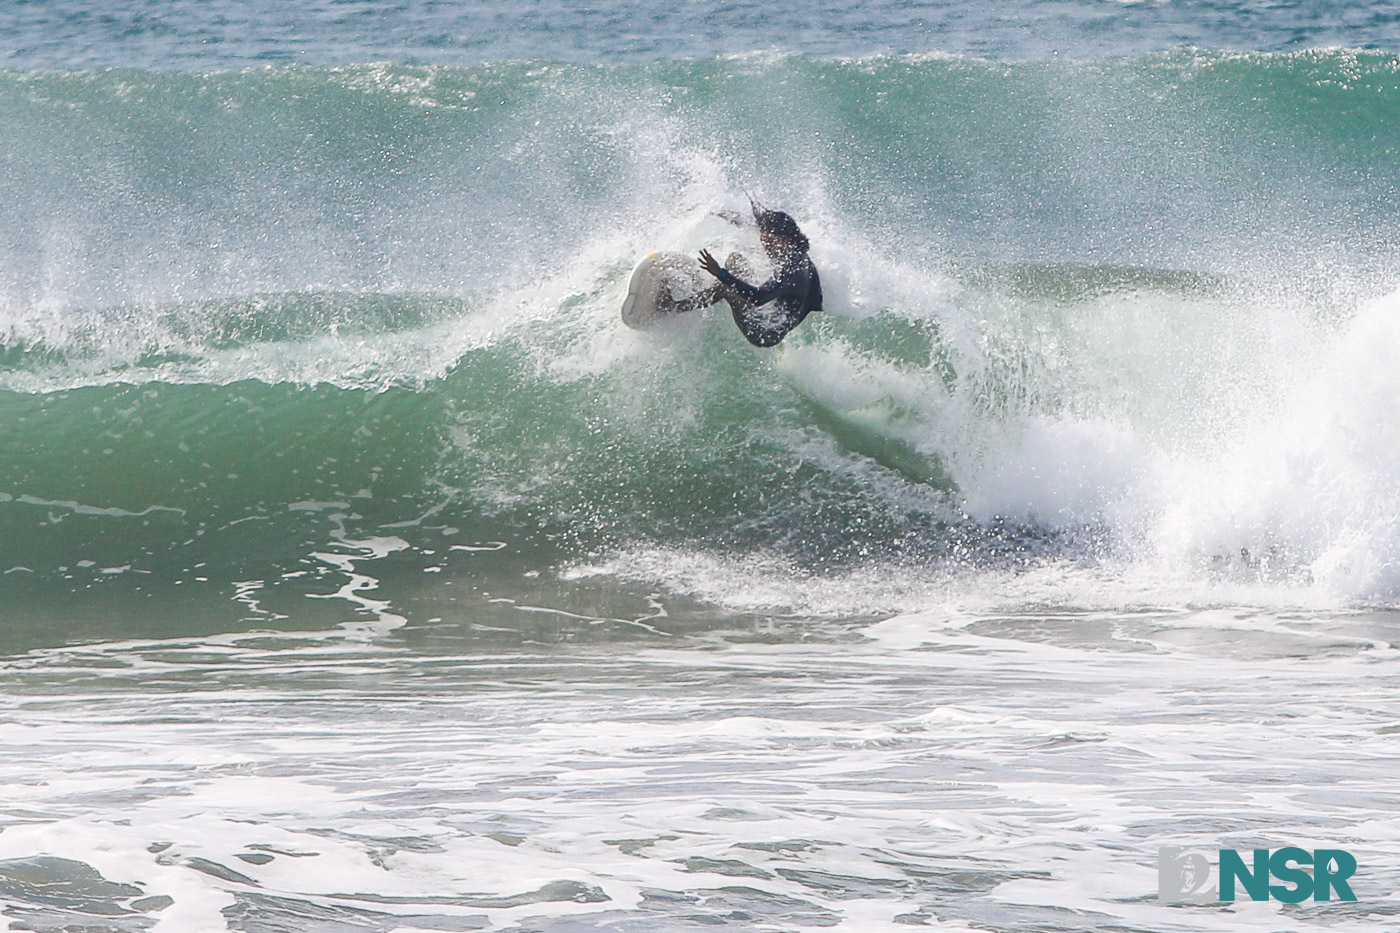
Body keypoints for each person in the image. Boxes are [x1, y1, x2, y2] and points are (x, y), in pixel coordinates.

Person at [681, 203, 823, 348]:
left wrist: (720, 273)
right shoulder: (794, 251)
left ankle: (675, 305)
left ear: (785, 238)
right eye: (764, 240)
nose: (766, 246)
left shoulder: (793, 267)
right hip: (772, 313)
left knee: (726, 287)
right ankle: (704, 291)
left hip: (766, 332)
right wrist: (713, 209)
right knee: (735, 260)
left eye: (770, 241)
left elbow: (759, 298)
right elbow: (747, 223)